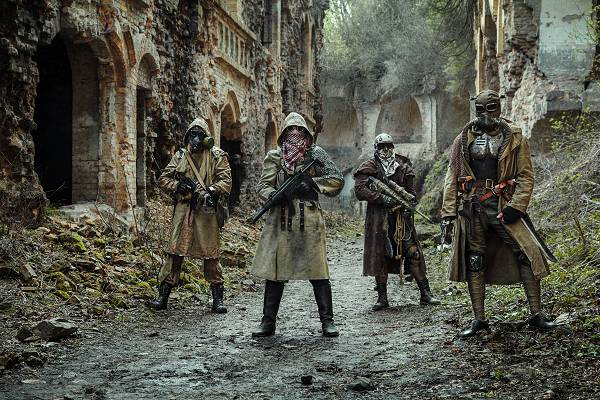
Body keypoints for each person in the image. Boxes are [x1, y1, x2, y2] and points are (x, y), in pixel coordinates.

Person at [441, 89, 557, 337]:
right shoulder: (463, 138)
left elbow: (525, 175)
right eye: (480, 109)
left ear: (499, 107)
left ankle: (536, 315)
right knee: (475, 259)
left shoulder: (514, 136)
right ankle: (479, 320)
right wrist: (448, 212)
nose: (485, 114)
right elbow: (452, 176)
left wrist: (517, 206)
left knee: (527, 253)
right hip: (473, 207)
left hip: (503, 204)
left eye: (490, 108)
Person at [251, 112, 344, 338]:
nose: (295, 134)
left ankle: (327, 321)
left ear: (306, 134)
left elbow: (336, 180)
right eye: (290, 130)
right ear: (283, 133)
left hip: (309, 218)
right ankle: (268, 322)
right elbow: (263, 185)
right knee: (275, 271)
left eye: (299, 130)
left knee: (318, 270)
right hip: (281, 219)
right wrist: (274, 195)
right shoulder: (275, 157)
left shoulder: (315, 154)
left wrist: (312, 183)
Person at [147, 117, 232, 313]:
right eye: (193, 134)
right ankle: (162, 297)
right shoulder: (180, 156)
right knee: (174, 252)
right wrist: (179, 186)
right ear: (187, 136)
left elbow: (226, 180)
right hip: (184, 210)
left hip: (206, 212)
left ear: (206, 138)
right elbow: (163, 179)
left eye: (199, 135)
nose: (196, 139)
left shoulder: (217, 156)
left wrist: (211, 190)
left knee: (211, 254)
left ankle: (218, 300)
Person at [354, 133, 440, 311]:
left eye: (389, 146)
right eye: (382, 146)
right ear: (376, 149)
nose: (386, 149)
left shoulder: (403, 166)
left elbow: (411, 192)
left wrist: (408, 206)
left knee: (413, 252)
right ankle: (382, 298)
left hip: (401, 217)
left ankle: (426, 294)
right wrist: (381, 198)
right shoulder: (369, 167)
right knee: (381, 255)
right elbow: (360, 190)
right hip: (379, 219)